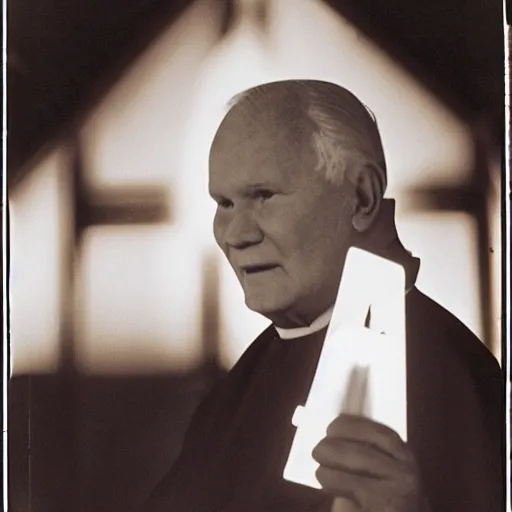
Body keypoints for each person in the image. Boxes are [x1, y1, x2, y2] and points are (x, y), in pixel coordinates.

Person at [144, 80, 504, 512]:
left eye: (263, 196)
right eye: (224, 203)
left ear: (362, 197)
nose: (235, 235)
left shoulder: (452, 376)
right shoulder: (236, 389)